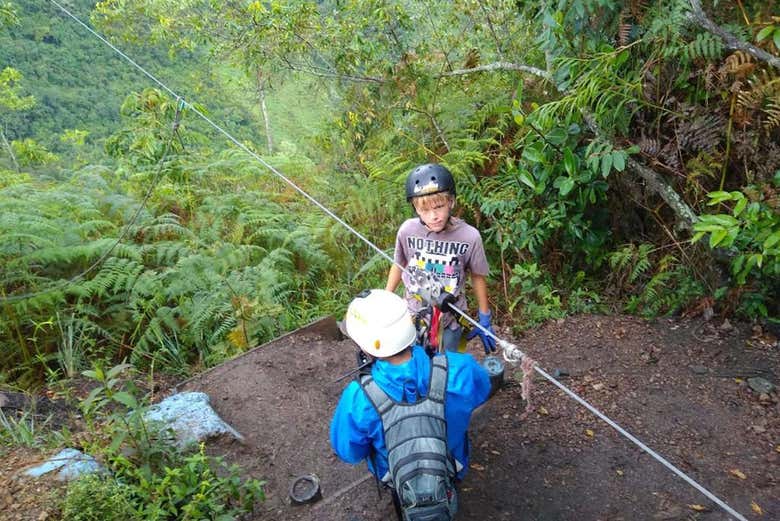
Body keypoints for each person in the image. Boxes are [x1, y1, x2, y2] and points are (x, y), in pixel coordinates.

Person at [330, 289, 491, 520]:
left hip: (396, 476)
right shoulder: (461, 368)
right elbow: (483, 389)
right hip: (452, 464)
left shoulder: (358, 398)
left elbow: (350, 452)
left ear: (366, 347)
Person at [385, 163, 497, 354]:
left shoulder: (469, 237)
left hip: (450, 319)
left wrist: (484, 316)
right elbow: (399, 264)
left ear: (451, 201)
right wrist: (385, 297)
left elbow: (478, 275)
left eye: (439, 207)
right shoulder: (407, 231)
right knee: (413, 366)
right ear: (415, 208)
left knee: (445, 370)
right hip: (412, 315)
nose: (434, 216)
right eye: (425, 210)